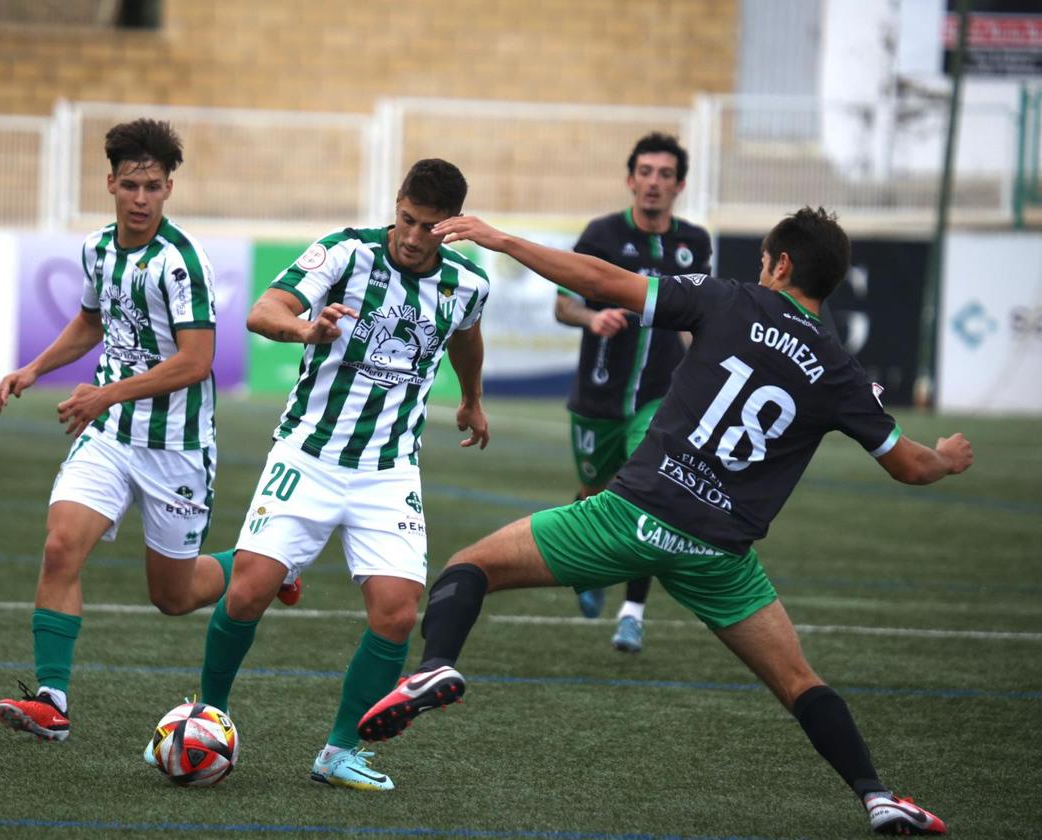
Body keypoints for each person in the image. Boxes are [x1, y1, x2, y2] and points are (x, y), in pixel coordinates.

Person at [360, 208, 969, 835]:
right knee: (798, 681)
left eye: (763, 260)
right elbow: (911, 467)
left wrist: (504, 240)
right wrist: (946, 459)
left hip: (632, 515)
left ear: (782, 265)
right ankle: (877, 796)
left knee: (471, 567)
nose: (758, 270)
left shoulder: (730, 301)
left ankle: (435, 666)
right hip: (719, 555)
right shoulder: (841, 371)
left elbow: (601, 279)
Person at [176, 159, 490, 793]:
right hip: (308, 455)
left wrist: (471, 397)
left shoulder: (467, 284)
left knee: (398, 615)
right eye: (406, 219)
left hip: (388, 470)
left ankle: (338, 752)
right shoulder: (345, 252)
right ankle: (206, 713)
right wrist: (303, 328)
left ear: (450, 228)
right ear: (395, 204)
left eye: (429, 228)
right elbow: (264, 309)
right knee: (247, 592)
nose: (411, 236)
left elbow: (466, 336)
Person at [0, 118, 228, 742]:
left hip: (177, 448)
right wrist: (34, 368)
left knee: (172, 598)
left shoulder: (182, 262)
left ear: (169, 188)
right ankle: (52, 701)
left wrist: (105, 393)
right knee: (60, 546)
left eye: (152, 186)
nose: (141, 198)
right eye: (130, 186)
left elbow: (196, 361)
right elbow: (92, 322)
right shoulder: (97, 248)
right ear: (111, 184)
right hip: (111, 433)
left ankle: (266, 567)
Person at [555, 132, 711, 652]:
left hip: (660, 400)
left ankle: (633, 612)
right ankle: (591, 568)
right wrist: (591, 314)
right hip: (597, 398)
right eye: (645, 172)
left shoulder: (695, 244)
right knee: (596, 495)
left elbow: (700, 320)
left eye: (665, 174)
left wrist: (709, 367)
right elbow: (563, 306)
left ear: (679, 185)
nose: (654, 183)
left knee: (649, 496)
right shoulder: (600, 235)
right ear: (630, 180)